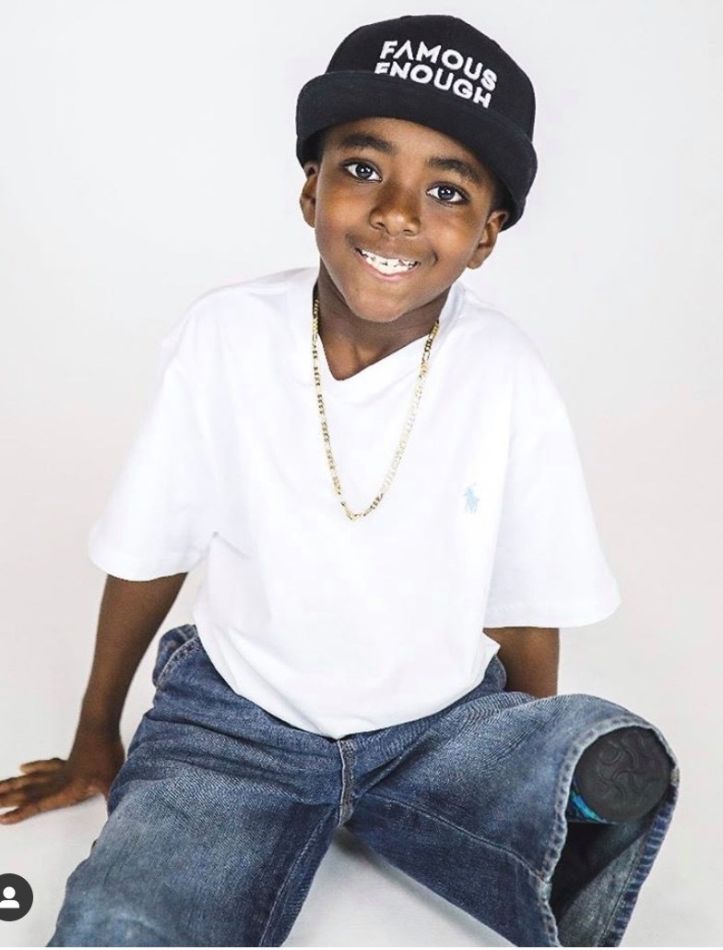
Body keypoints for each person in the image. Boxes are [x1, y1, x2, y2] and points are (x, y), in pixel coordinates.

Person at [0, 14, 677, 947]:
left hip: (436, 725)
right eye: (362, 169)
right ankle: (366, 818)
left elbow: (523, 603)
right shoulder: (225, 336)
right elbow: (151, 545)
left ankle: (475, 810)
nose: (396, 213)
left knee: (593, 747)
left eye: (446, 191)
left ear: (486, 236)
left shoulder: (507, 376)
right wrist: (95, 734)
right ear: (310, 187)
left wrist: (512, 758)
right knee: (125, 919)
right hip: (236, 723)